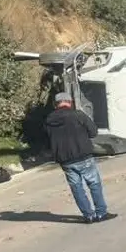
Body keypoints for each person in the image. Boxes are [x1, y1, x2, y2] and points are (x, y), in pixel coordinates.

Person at [45, 92, 115, 223]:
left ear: (56, 104)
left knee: (77, 188)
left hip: (65, 160)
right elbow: (93, 132)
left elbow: (47, 140)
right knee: (94, 184)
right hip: (83, 156)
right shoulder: (78, 115)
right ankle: (101, 213)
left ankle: (88, 216)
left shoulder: (49, 120)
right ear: (70, 102)